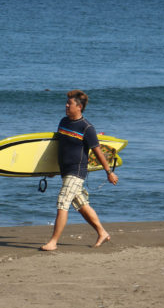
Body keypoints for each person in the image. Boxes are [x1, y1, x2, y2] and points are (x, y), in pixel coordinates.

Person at [40, 90, 117, 251]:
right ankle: (102, 233)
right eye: (66, 103)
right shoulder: (63, 122)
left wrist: (109, 172)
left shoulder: (87, 128)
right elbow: (58, 148)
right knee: (81, 204)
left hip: (77, 171)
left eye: (70, 104)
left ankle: (53, 242)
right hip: (64, 171)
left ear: (79, 107)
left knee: (63, 202)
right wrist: (53, 169)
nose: (66, 106)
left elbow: (98, 152)